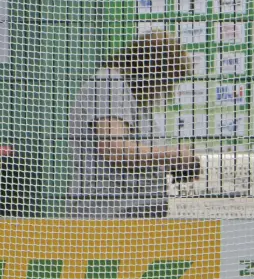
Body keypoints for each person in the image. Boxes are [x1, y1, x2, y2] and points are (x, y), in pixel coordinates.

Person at [67, 30, 202, 218]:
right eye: (167, 82)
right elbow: (113, 147)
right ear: (153, 70)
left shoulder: (133, 95)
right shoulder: (110, 83)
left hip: (137, 209)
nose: (166, 90)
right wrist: (171, 155)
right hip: (112, 213)